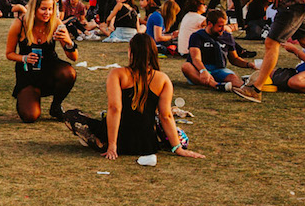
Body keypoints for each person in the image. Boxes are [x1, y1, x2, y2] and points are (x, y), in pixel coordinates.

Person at [64, 33, 204, 162]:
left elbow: (115, 109)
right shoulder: (163, 79)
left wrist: (113, 145)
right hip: (147, 144)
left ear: (131, 52)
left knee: (71, 115)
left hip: (119, 140)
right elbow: (166, 115)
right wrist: (177, 148)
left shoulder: (118, 74)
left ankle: (101, 142)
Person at [5, 0, 78, 122]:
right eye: (43, 9)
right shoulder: (20, 24)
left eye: (50, 9)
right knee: (30, 116)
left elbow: (73, 57)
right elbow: (9, 54)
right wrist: (24, 58)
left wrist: (68, 42)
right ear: (34, 9)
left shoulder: (56, 23)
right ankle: (30, 97)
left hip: (50, 71)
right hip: (28, 75)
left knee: (69, 73)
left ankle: (56, 106)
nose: (47, 13)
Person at [181, 9, 253, 91]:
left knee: (233, 78)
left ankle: (246, 89)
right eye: (219, 26)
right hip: (199, 69)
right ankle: (216, 85)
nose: (223, 29)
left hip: (218, 68)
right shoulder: (197, 36)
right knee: (186, 66)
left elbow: (234, 59)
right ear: (210, 24)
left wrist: (250, 65)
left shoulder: (227, 37)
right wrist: (203, 71)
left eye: (224, 25)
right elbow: (196, 58)